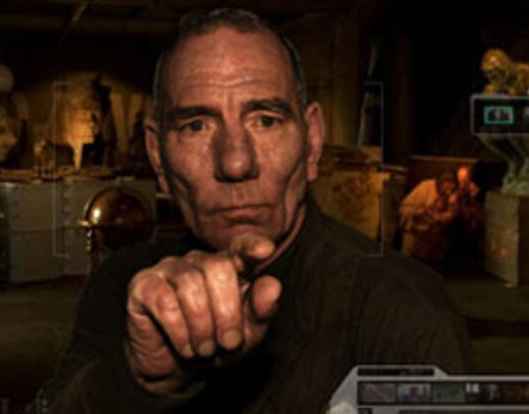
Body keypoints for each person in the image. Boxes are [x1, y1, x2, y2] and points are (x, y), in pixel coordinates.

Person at [33, 9, 472, 414]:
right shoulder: (121, 289)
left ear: (312, 142)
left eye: (265, 120)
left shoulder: (403, 311)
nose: (236, 163)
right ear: (157, 156)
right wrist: (135, 379)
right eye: (196, 126)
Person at [399, 170, 459, 261]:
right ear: (440, 182)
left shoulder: (451, 195)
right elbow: (404, 208)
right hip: (414, 234)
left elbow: (451, 214)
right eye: (448, 183)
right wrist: (420, 212)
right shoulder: (426, 187)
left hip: (429, 240)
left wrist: (441, 217)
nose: (451, 187)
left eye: (453, 184)